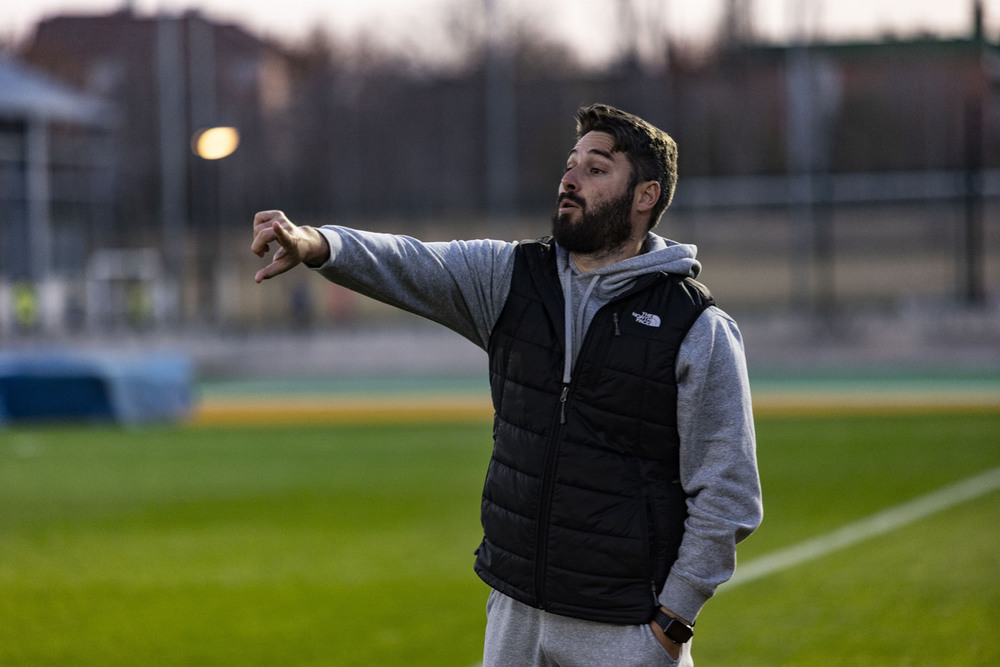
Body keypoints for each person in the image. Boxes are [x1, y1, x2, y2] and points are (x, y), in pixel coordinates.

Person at [250, 103, 762, 666]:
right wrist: (318, 244)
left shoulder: (695, 325)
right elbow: (410, 262)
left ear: (645, 196)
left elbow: (729, 491)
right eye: (570, 165)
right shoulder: (510, 277)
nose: (569, 179)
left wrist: (672, 620)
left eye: (596, 169)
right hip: (514, 615)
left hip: (626, 630)